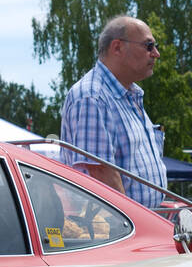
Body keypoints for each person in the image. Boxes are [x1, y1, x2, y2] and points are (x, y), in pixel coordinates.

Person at [60, 15, 168, 209]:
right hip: (120, 231)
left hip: (137, 227)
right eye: (149, 46)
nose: (156, 54)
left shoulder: (127, 95)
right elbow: (101, 174)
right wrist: (140, 225)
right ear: (117, 47)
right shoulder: (92, 97)